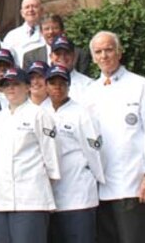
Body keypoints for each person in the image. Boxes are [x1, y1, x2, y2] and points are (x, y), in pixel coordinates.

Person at [86, 31, 145, 243]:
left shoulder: (141, 85)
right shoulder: (89, 92)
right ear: (93, 58)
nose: (104, 56)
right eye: (98, 52)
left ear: (119, 52)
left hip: (135, 184)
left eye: (109, 50)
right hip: (102, 188)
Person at [0, 68, 60, 243]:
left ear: (27, 87)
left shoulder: (39, 114)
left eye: (16, 84)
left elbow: (51, 155)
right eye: (7, 85)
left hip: (31, 199)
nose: (11, 88)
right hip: (1, 199)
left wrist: (46, 187)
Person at [45, 65, 105, 243]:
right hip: (51, 198)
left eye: (62, 83)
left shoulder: (82, 114)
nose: (57, 87)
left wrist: (96, 180)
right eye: (53, 83)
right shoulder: (41, 112)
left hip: (79, 196)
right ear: (46, 86)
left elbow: (95, 153)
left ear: (69, 86)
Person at [2, 0, 45, 66]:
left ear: (42, 11)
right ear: (22, 13)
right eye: (27, 7)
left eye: (34, 6)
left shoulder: (48, 33)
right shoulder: (11, 36)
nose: (30, 10)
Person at [49, 36, 94, 104]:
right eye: (58, 53)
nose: (62, 57)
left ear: (74, 56)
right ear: (51, 57)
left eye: (66, 53)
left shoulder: (88, 84)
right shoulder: (42, 84)